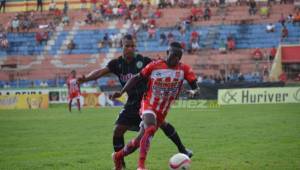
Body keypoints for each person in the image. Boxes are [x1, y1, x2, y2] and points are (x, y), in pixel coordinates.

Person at [78, 35, 193, 169]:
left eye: (133, 46)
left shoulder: (143, 61)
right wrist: (85, 79)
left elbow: (162, 68)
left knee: (158, 126)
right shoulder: (117, 64)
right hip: (132, 103)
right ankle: (120, 162)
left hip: (147, 100)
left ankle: (181, 149)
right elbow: (100, 72)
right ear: (122, 46)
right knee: (118, 131)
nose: (130, 49)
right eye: (127, 46)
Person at [111, 41, 200, 170]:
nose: (173, 58)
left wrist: (194, 92)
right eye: (172, 55)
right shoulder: (155, 65)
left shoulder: (184, 69)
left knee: (138, 142)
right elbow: (136, 78)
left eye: (177, 56)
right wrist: (121, 92)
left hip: (162, 111)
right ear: (167, 53)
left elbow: (196, 88)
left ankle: (118, 156)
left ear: (180, 58)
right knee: (151, 128)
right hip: (148, 104)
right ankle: (141, 166)